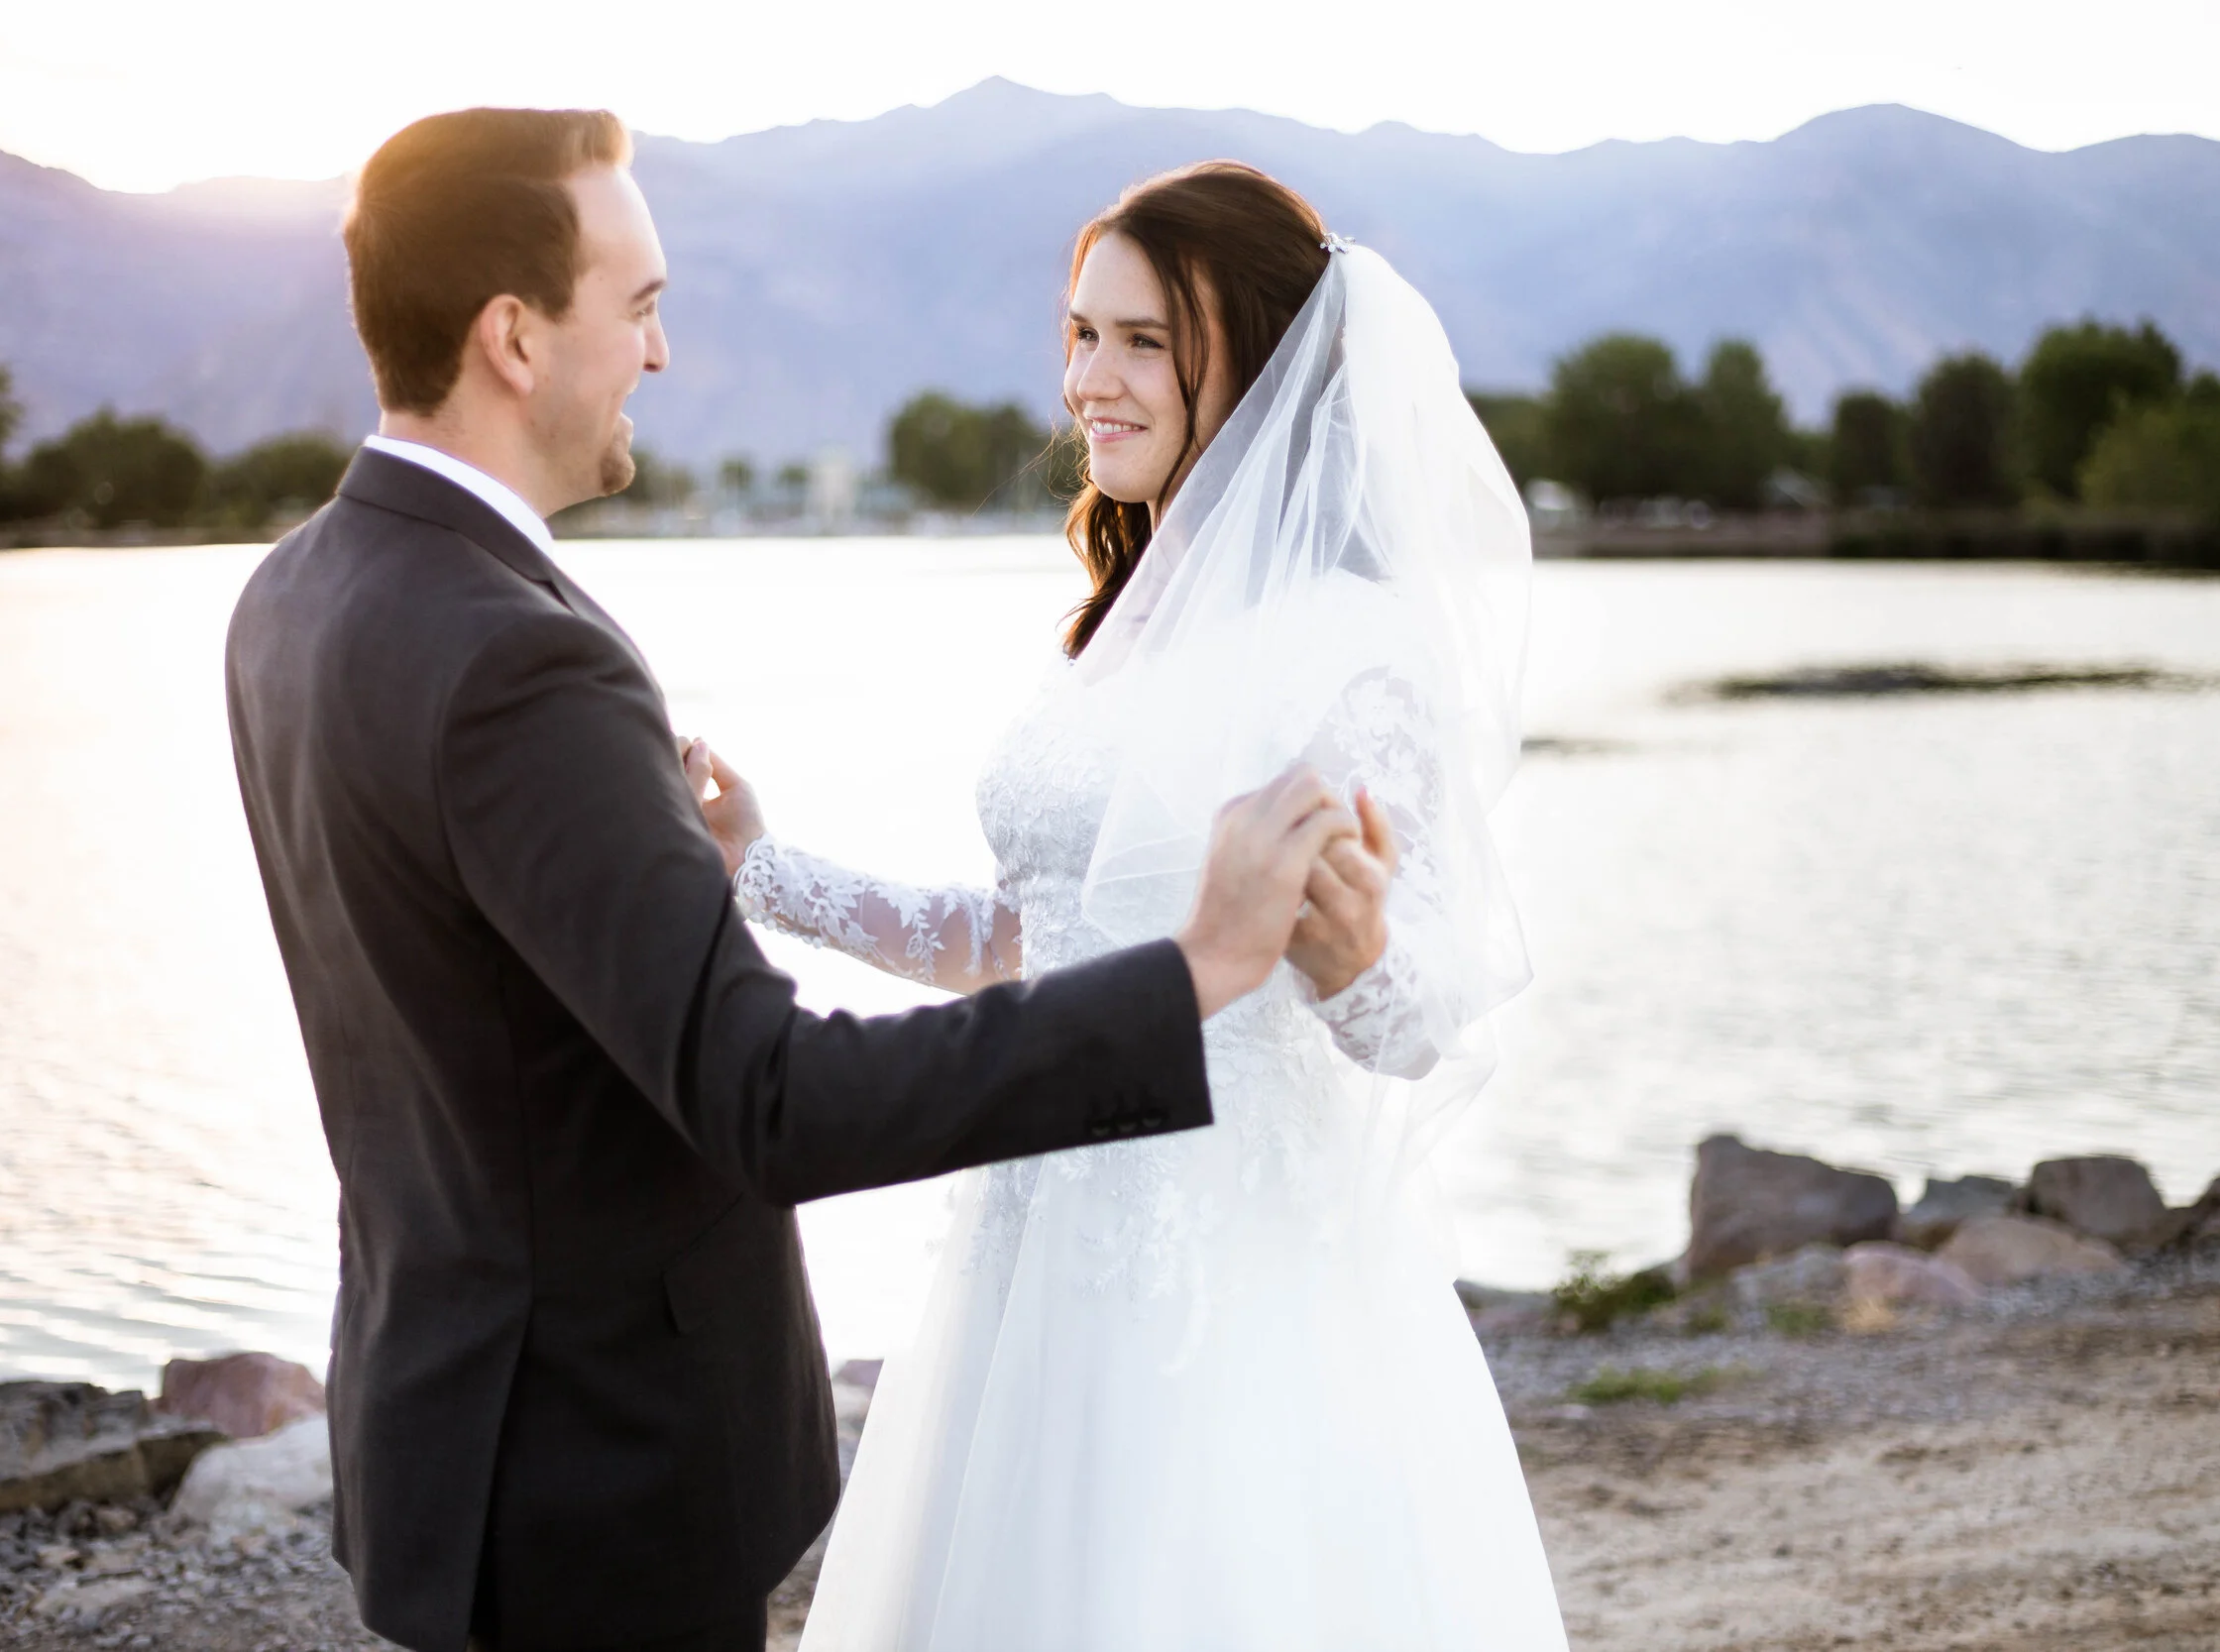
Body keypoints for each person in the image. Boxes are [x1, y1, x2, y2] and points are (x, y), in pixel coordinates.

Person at [223, 112, 1385, 1652]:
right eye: (638, 306)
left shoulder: (296, 592)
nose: (662, 352)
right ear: (513, 336)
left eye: (1138, 341)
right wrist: (1197, 973)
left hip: (449, 1420)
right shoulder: (516, 651)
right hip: (593, 1466)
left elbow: (1045, 932)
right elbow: (769, 1097)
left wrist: (759, 871)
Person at [711, 164, 1568, 1649]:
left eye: (1137, 342)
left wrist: (1356, 956)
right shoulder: (1126, 617)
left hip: (1229, 1273)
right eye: (1078, 334)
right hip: (1031, 1242)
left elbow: (1419, 1011)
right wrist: (763, 869)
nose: (1085, 382)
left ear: (1253, 353)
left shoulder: (1348, 644)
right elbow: (1026, 943)